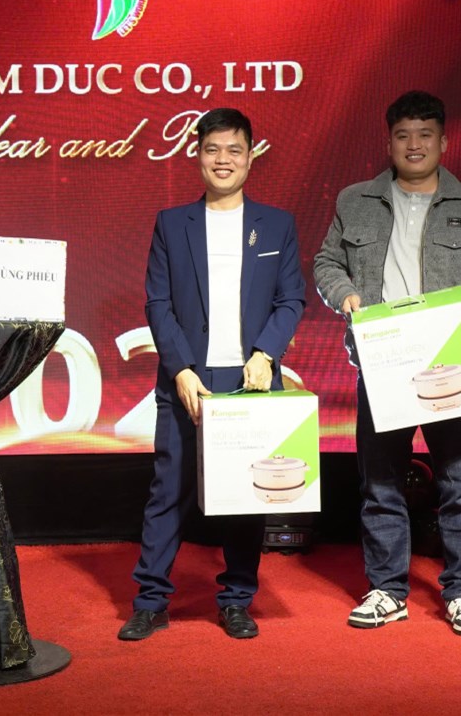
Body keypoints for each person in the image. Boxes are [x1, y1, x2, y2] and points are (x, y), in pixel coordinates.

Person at [314, 91, 461, 636]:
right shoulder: (355, 200)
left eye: (425, 134)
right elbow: (327, 262)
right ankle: (387, 590)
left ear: (443, 142)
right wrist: (346, 295)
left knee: (460, 484)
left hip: (452, 362)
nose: (414, 144)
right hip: (383, 360)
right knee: (380, 484)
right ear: (389, 142)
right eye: (403, 135)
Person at [119, 108, 306, 641]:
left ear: (251, 157)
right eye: (212, 149)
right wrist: (179, 368)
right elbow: (157, 302)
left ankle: (237, 599)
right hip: (188, 378)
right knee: (169, 491)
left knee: (246, 496)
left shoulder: (277, 224)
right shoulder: (172, 223)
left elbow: (291, 299)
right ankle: (151, 601)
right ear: (198, 156)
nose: (223, 160)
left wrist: (266, 353)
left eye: (234, 150)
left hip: (251, 380)